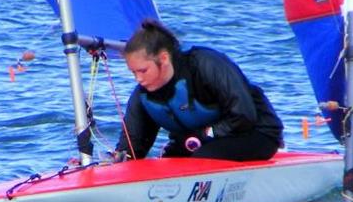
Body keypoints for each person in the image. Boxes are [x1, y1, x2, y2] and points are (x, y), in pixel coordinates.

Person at [113, 19, 284, 162]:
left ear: (163, 58)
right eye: (133, 72)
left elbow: (244, 114)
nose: (138, 79)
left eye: (143, 71)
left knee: (203, 157)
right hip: (202, 142)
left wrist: (206, 139)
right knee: (169, 158)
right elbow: (131, 146)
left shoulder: (205, 65)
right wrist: (119, 163)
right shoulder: (143, 95)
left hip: (257, 134)